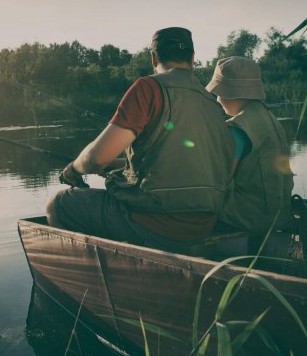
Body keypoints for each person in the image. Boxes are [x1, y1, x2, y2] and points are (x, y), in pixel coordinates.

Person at [45, 27, 235, 250]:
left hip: (156, 224)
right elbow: (181, 162)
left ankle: (83, 279)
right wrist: (123, 167)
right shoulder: (212, 102)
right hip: (202, 225)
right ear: (193, 59)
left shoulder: (148, 88)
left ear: (154, 58)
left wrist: (74, 169)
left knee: (59, 204)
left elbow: (96, 159)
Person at [205, 56, 293, 234]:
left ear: (228, 94)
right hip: (279, 216)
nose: (217, 99)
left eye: (218, 94)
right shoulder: (270, 119)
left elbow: (221, 179)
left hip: (248, 219)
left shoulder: (238, 127)